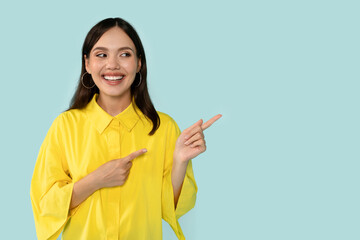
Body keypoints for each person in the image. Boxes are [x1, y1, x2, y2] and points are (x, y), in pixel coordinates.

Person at [30, 17, 221, 240]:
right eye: (101, 55)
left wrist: (180, 161)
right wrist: (96, 180)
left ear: (139, 62)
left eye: (125, 54)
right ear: (87, 63)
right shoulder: (65, 126)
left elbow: (173, 208)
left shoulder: (164, 127)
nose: (112, 65)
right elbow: (44, 204)